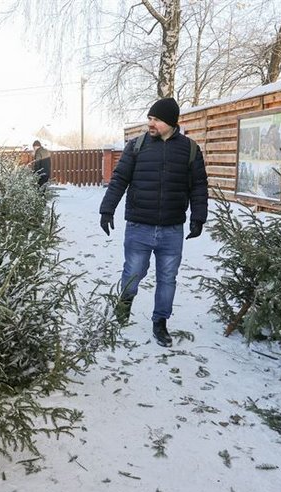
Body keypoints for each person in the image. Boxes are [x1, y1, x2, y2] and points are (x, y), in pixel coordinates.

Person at [98, 97, 208, 347]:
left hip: (172, 229)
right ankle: (124, 304)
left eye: (156, 119)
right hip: (139, 225)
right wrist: (107, 210)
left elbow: (199, 186)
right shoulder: (136, 146)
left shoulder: (190, 149)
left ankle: (160, 322)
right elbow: (119, 179)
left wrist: (198, 217)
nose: (151, 123)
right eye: (149, 118)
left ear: (170, 122)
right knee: (133, 273)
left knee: (167, 278)